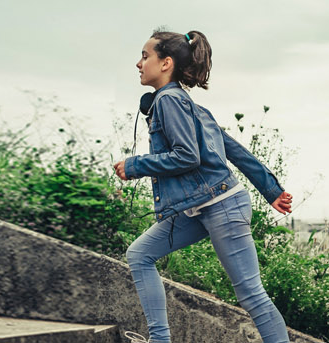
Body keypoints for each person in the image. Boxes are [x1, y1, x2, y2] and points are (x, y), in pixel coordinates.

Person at [115, 29, 295, 343]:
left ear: (166, 62)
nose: (139, 64)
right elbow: (233, 148)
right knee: (140, 254)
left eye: (145, 56)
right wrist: (271, 190)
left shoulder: (170, 100)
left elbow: (187, 157)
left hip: (221, 205)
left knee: (251, 294)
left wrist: (135, 165)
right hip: (197, 207)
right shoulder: (188, 104)